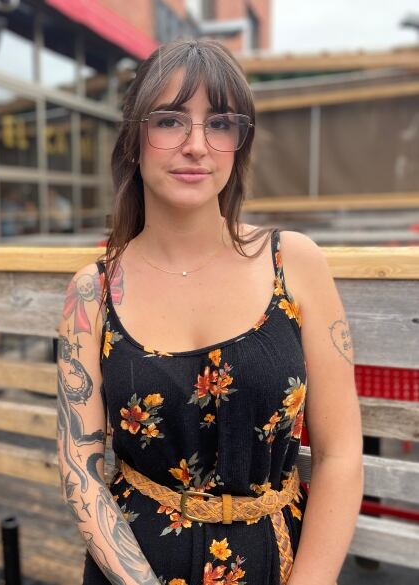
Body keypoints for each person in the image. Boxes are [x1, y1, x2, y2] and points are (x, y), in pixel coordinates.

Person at [55, 39, 363, 585]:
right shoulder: (92, 294)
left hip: (279, 563)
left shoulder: (292, 263)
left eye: (220, 124)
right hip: (132, 566)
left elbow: (340, 453)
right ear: (134, 140)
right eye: (171, 121)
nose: (196, 145)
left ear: (239, 144)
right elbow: (79, 464)